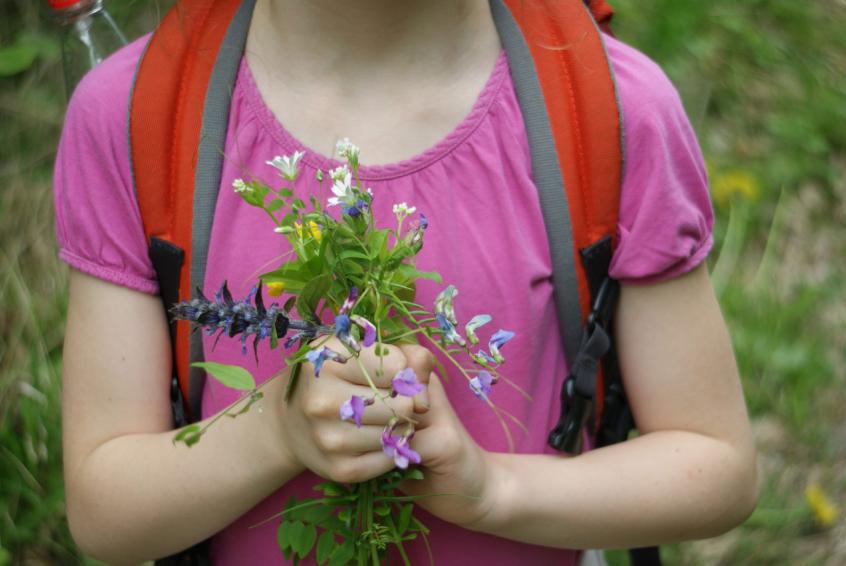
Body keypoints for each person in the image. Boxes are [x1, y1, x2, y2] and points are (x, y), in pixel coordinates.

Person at [54, 1, 758, 564]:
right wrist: (276, 431)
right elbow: (107, 515)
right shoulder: (138, 116)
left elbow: (716, 468)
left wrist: (494, 491)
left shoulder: (608, 112)